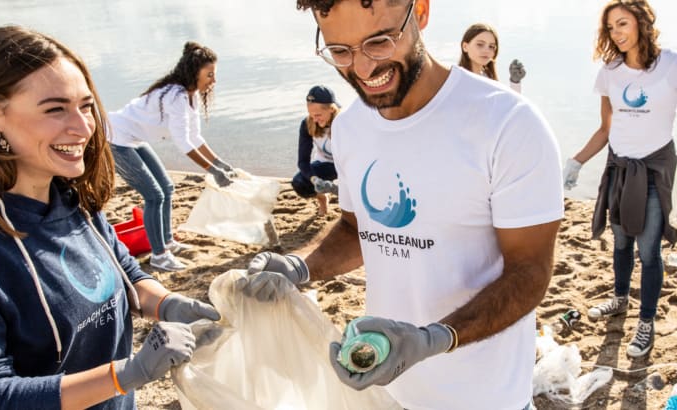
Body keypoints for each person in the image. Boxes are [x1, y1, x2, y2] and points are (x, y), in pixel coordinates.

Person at [242, 0, 564, 408]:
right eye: (340, 51)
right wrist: (300, 266)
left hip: (485, 393)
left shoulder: (507, 124)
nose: (361, 69)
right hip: (387, 386)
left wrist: (435, 339)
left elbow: (530, 271)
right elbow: (359, 230)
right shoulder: (352, 127)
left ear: (422, 13)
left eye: (378, 42)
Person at [0, 26, 221, 409]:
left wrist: (168, 303)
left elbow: (127, 276)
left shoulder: (71, 197)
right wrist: (125, 374)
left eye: (86, 106)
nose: (83, 127)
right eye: (55, 109)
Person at [563, 0, 677, 358]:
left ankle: (646, 321)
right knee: (621, 241)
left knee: (649, 249)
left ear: (642, 23)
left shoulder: (671, 64)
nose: (617, 34)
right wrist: (577, 161)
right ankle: (619, 297)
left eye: (623, 24)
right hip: (619, 167)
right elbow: (606, 128)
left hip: (655, 168)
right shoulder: (610, 70)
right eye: (611, 27)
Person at [107, 41, 236, 272]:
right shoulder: (175, 96)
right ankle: (159, 256)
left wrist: (219, 162)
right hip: (117, 138)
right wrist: (213, 171)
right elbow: (183, 143)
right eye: (209, 75)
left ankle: (166, 241)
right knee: (154, 195)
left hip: (134, 138)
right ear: (194, 71)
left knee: (167, 187)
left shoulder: (191, 95)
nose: (213, 81)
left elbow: (194, 136)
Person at [291, 85, 341, 216]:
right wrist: (314, 180)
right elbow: (303, 161)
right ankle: (322, 199)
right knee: (299, 183)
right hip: (327, 164)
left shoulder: (344, 122)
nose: (315, 119)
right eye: (311, 115)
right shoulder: (307, 124)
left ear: (331, 109)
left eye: (318, 115)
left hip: (348, 164)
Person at [458, 23, 526, 93]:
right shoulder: (457, 80)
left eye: (491, 46)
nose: (486, 50)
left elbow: (508, 103)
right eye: (480, 44)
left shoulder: (488, 78)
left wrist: (515, 82)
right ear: (465, 47)